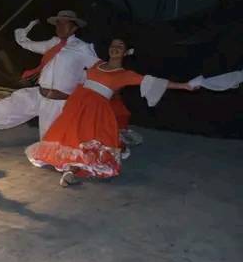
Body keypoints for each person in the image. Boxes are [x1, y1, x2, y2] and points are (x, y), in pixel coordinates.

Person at [25, 38, 196, 186]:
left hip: (96, 110)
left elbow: (153, 82)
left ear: (126, 51)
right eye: (113, 45)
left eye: (120, 46)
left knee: (86, 140)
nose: (115, 48)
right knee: (69, 137)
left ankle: (72, 171)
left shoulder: (125, 74)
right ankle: (70, 168)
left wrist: (184, 86)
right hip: (77, 105)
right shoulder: (96, 63)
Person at [0, 10, 99, 142]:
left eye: (65, 24)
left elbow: (98, 70)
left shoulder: (83, 48)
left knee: (51, 141)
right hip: (39, 95)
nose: (60, 27)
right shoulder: (52, 43)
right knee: (6, 109)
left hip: (59, 104)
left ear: (74, 27)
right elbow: (26, 44)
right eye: (58, 24)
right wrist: (25, 30)